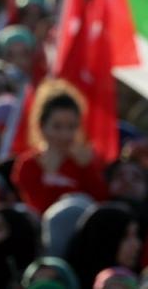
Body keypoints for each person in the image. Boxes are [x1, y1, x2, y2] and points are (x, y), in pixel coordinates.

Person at [11, 83, 109, 213]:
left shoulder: (86, 161)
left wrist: (88, 168)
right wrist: (49, 176)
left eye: (72, 127)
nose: (65, 134)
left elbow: (101, 204)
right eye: (57, 126)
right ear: (42, 127)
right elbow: (38, 209)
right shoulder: (28, 164)